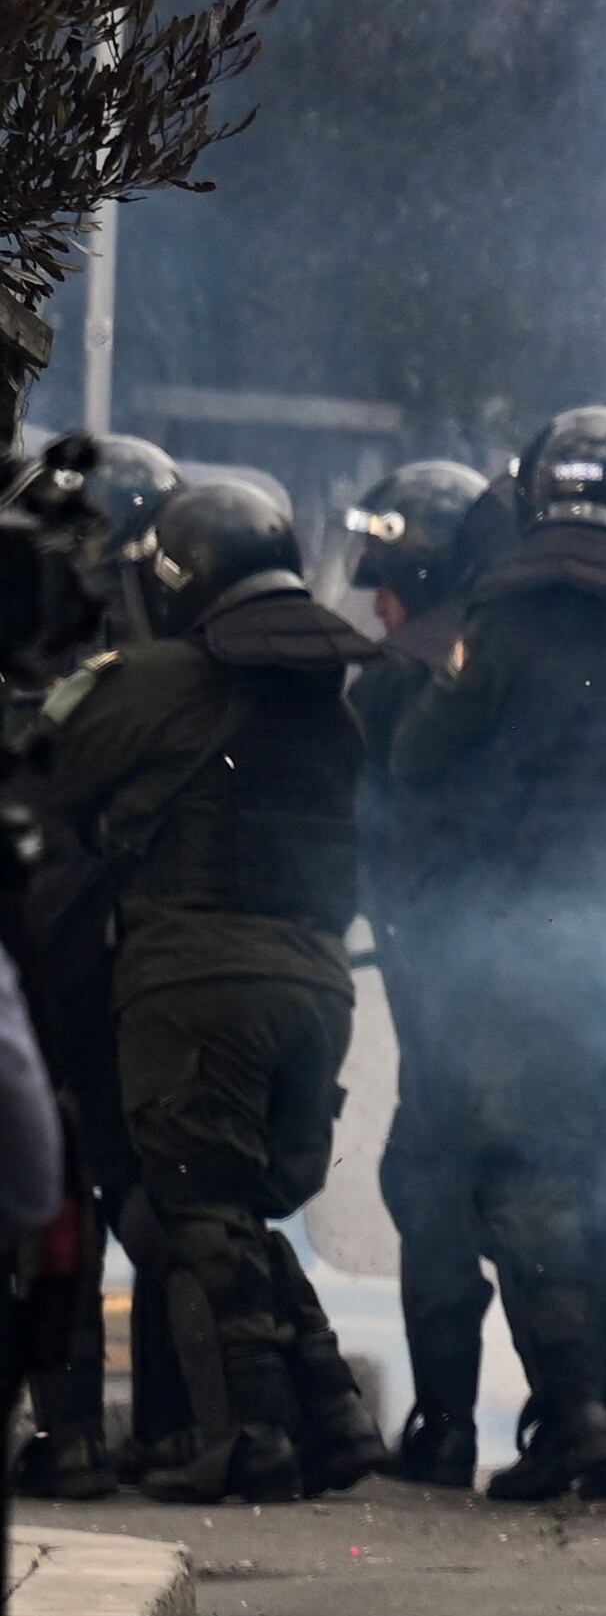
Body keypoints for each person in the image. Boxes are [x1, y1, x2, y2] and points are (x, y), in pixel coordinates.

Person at [398, 409, 606, 1503]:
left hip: (528, 953)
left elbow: (418, 766)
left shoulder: (495, 635)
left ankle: (578, 1410)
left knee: (531, 1176)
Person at [37, 481, 382, 1502]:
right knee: (234, 1213)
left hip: (192, 987)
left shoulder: (143, 683)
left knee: (196, 1213)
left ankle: (254, 1441)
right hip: (317, 990)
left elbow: (38, 777)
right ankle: (330, 1414)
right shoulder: (330, 708)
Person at [1, 437, 164, 1499]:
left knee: (63, 1194)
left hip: (55, 957)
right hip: (130, 957)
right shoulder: (158, 674)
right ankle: (154, 1425)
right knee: (133, 1184)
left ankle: (74, 1434)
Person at [340, 459, 500, 1490]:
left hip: (446, 969)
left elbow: (366, 829)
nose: (376, 599)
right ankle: (604, 1406)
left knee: (435, 1176)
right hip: (545, 961)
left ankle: (449, 1423)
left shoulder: (395, 680)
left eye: (388, 577)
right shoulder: (520, 648)